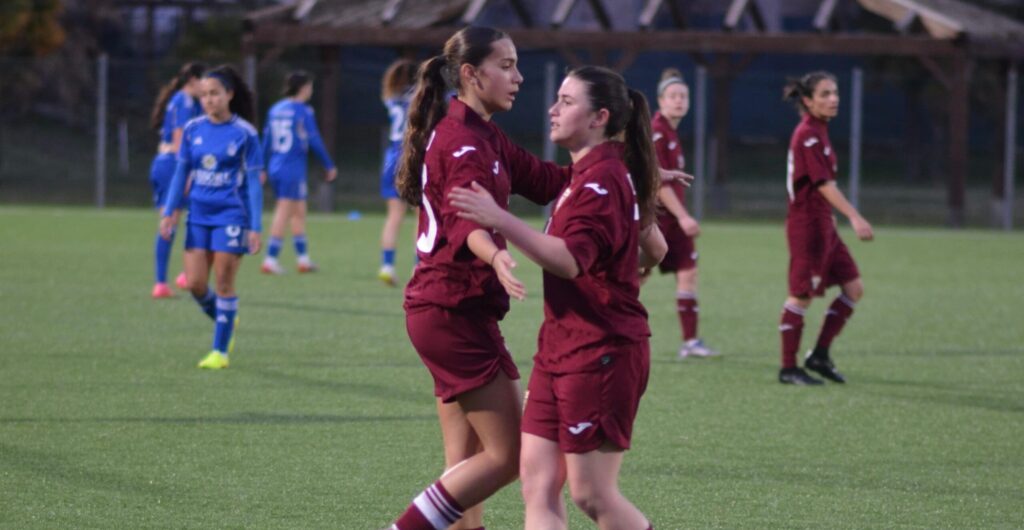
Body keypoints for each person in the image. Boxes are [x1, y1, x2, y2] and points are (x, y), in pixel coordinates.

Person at [385, 26, 590, 530]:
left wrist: (619, 170)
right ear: (471, 74)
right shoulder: (462, 142)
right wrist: (495, 255)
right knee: (509, 455)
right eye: (506, 65)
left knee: (466, 464)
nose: (518, 77)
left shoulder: (483, 134)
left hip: (450, 311)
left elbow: (545, 180)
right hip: (451, 313)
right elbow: (466, 222)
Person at [449, 65, 666, 530]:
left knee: (592, 494)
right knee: (538, 483)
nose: (553, 109)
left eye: (566, 102)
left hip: (601, 353)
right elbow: (656, 249)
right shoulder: (587, 175)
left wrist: (500, 218)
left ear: (599, 117)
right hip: (559, 349)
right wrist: (627, 253)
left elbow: (568, 261)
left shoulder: (601, 180)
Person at [159, 65, 263, 370]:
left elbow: (254, 183)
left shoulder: (245, 133)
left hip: (232, 215)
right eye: (204, 95)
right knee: (194, 284)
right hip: (198, 215)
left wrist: (255, 227)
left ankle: (220, 351)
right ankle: (225, 318)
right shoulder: (193, 129)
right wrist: (169, 212)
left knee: (224, 283)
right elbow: (181, 173)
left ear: (229, 94)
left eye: (214, 93)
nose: (208, 99)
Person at [777, 71, 873, 385]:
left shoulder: (820, 130)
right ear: (808, 101)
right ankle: (788, 368)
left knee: (853, 288)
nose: (833, 99)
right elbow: (823, 185)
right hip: (807, 226)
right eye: (825, 94)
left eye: (835, 93)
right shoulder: (807, 134)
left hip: (824, 225)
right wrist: (854, 216)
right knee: (801, 295)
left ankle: (819, 355)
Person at [649, 67, 718, 358]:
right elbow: (658, 182)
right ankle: (609, 332)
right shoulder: (656, 132)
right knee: (636, 276)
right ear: (661, 101)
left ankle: (690, 342)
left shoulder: (671, 132)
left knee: (688, 271)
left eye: (683, 96)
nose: (679, 101)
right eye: (673, 96)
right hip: (657, 218)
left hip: (673, 220)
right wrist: (684, 216)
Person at [259, 70, 337, 275]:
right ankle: (270, 260)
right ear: (303, 88)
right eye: (309, 86)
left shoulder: (275, 109)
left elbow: (266, 140)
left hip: (276, 165)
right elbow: (314, 139)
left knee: (299, 212)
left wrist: (262, 166)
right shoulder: (303, 111)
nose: (311, 90)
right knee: (284, 211)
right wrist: (328, 164)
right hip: (291, 168)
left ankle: (303, 260)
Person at [148, 62, 205, 298]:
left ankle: (184, 275)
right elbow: (180, 139)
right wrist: (188, 172)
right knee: (170, 222)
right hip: (172, 166)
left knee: (193, 217)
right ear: (192, 80)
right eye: (203, 81)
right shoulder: (184, 101)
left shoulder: (190, 102)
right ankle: (162, 282)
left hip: (167, 164)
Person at [377, 58, 419, 286]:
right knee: (421, 217)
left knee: (394, 216)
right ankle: (417, 268)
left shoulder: (391, 99)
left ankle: (387, 266)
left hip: (391, 160)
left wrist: (395, 72)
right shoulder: (422, 99)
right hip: (412, 159)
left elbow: (389, 86)